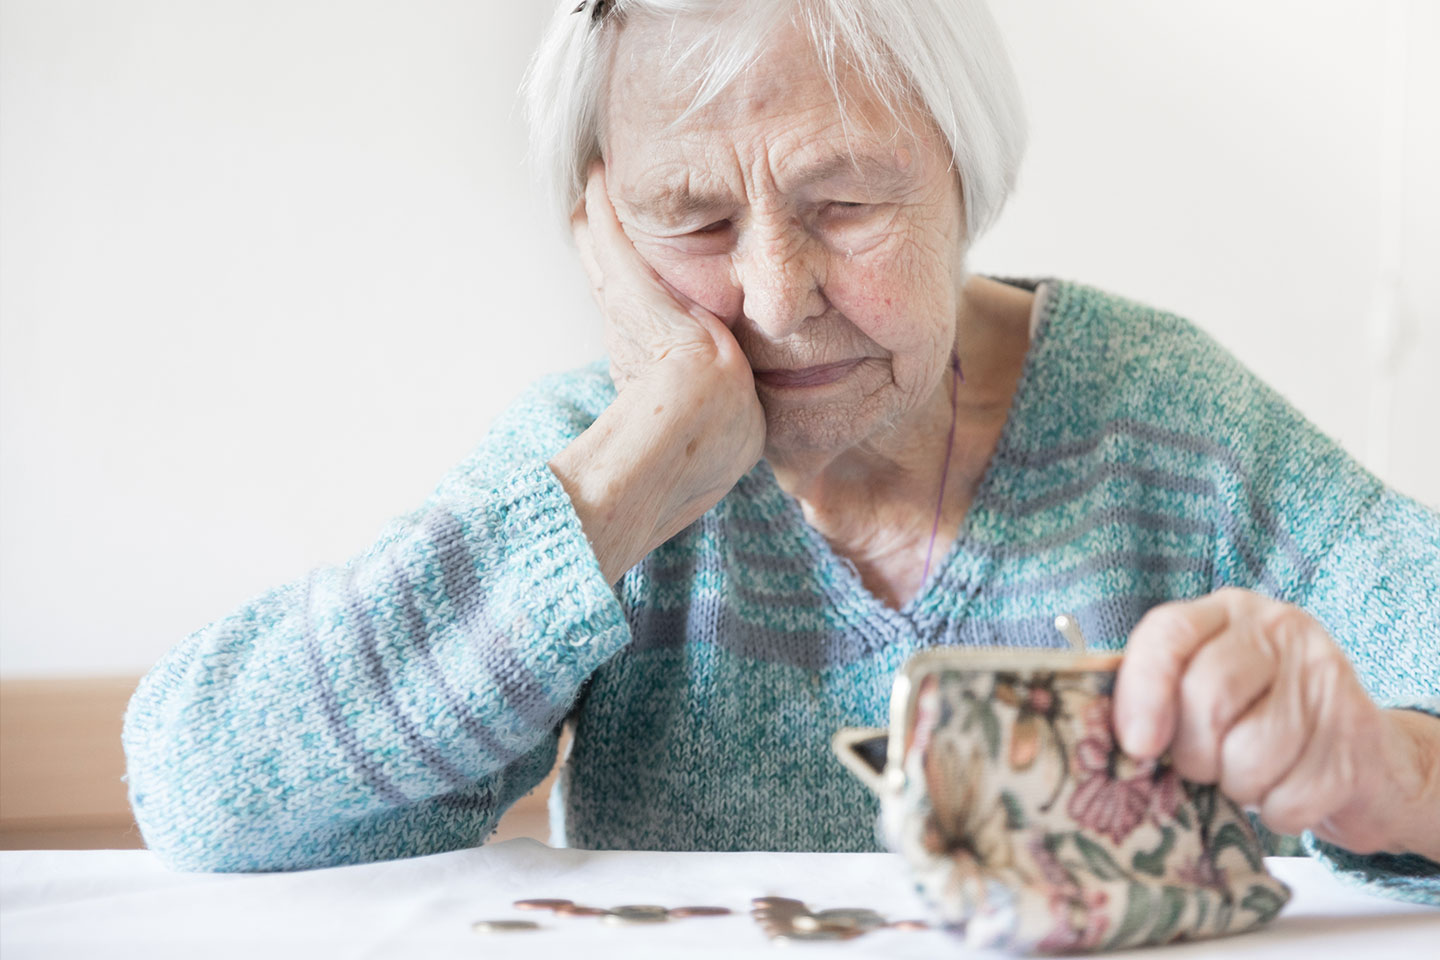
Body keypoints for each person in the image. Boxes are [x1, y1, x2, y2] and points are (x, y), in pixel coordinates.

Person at [123, 0, 1439, 898]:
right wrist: (617, 500)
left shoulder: (1163, 424)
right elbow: (201, 792)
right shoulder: (605, 469)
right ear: (601, 230)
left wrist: (1393, 780)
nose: (773, 297)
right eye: (689, 221)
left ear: (963, 179)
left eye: (847, 202)